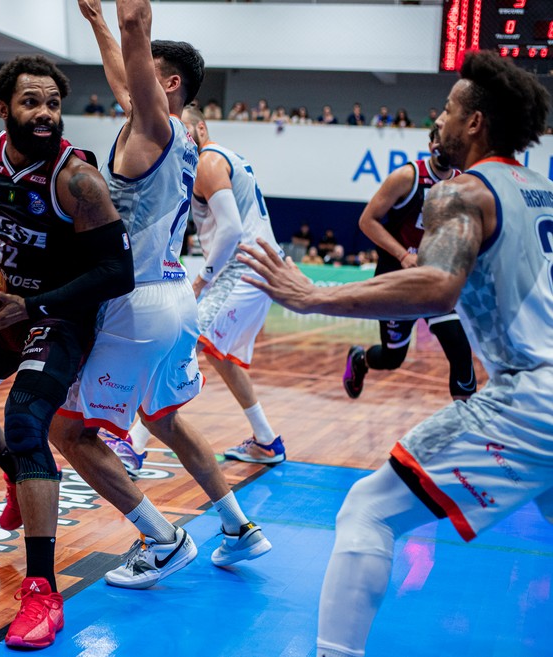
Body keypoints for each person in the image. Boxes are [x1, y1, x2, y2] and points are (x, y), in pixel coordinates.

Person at [237, 50, 553, 657]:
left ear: (474, 123)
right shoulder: (541, 190)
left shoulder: (462, 192)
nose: (438, 120)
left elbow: (436, 285)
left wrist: (314, 295)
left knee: (367, 510)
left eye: (447, 109)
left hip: (531, 397)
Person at [51, 0, 272, 596]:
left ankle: (162, 539)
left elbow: (135, 28)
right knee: (164, 417)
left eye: (146, 66)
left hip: (136, 301)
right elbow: (124, 71)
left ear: (168, 83)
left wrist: (121, 19)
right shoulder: (161, 128)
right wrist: (95, 22)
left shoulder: (155, 125)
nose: (133, 69)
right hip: (174, 296)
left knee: (68, 433)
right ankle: (239, 526)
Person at [0, 54, 134, 650]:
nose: (45, 114)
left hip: (58, 316)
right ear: (4, 108)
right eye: (32, 102)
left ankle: (41, 589)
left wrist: (30, 308)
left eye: (53, 104)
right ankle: (16, 472)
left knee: (24, 420)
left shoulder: (77, 179)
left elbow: (119, 271)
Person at [179, 105, 285, 463]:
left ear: (202, 129)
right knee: (222, 357)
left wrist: (201, 280)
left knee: (184, 344)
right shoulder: (224, 158)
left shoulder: (207, 161)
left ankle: (132, 444)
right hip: (259, 269)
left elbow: (232, 230)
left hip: (242, 268)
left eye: (184, 130)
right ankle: (267, 440)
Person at [344, 127, 477, 403]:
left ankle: (469, 430)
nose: (443, 147)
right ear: (430, 145)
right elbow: (366, 221)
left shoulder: (464, 184)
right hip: (398, 279)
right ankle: (360, 359)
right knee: (393, 357)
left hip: (434, 280)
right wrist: (404, 255)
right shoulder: (407, 176)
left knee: (461, 352)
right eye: (438, 141)